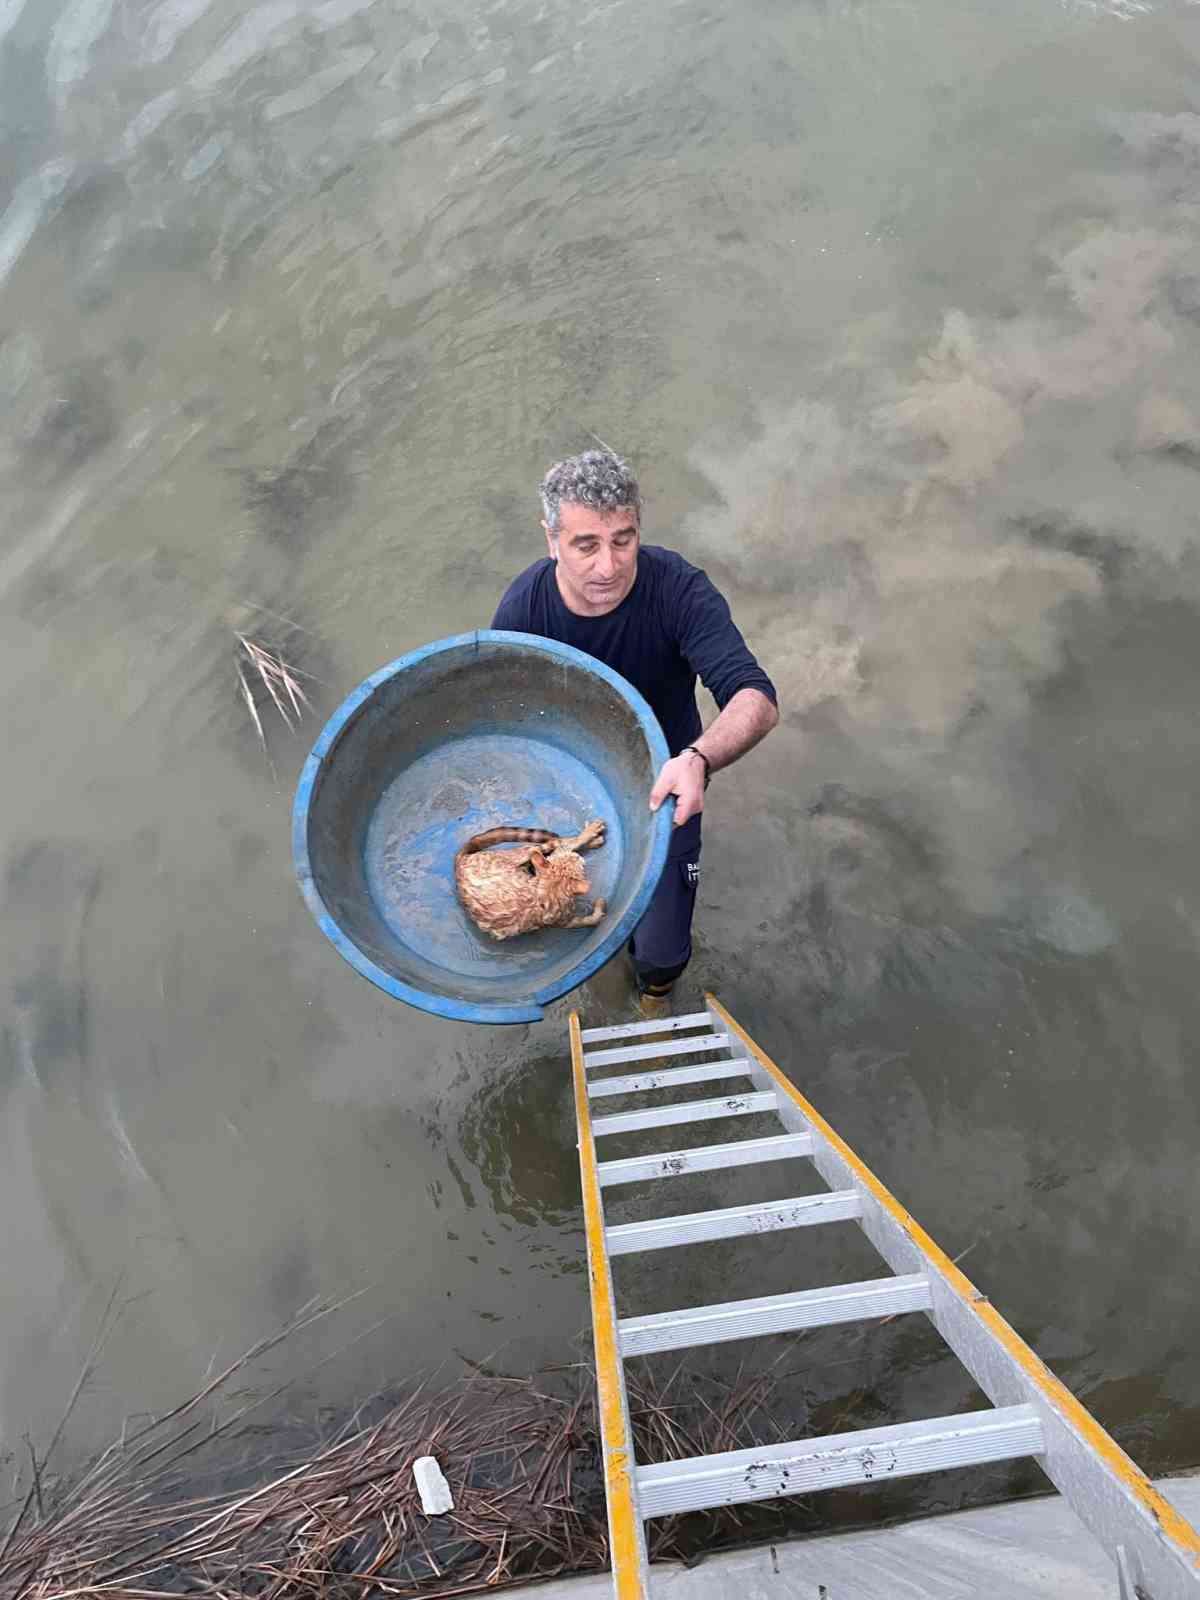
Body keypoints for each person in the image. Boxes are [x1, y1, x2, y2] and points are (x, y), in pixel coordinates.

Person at [491, 449, 779, 1014]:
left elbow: (755, 697)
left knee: (662, 949)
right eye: (586, 545)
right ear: (551, 539)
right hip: (572, 791)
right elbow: (502, 722)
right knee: (586, 922)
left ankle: (654, 1001)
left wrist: (698, 758)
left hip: (667, 785)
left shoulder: (677, 590)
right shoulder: (523, 611)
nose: (609, 566)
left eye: (623, 541)